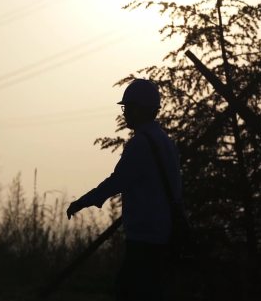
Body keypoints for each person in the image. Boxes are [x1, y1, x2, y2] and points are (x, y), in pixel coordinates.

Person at [66, 79, 183, 301]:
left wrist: (84, 201)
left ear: (141, 109)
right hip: (163, 234)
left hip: (144, 237)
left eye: (128, 107)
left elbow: (117, 181)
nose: (125, 113)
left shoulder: (141, 144)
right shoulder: (166, 142)